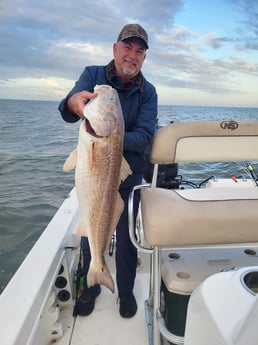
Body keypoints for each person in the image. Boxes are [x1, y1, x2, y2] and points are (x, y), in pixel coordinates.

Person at [58, 23, 158, 318]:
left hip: (128, 176)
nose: (132, 55)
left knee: (127, 239)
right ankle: (92, 284)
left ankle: (125, 292)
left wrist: (111, 136)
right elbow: (69, 107)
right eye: (127, 47)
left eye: (139, 51)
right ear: (115, 49)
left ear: (144, 58)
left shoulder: (148, 92)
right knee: (92, 229)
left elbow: (145, 138)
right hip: (97, 171)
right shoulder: (93, 75)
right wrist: (73, 103)